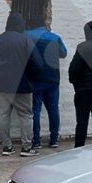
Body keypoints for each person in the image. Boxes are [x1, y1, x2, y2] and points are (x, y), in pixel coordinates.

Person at [0, 12, 42, 157]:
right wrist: (31, 79)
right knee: (26, 115)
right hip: (22, 85)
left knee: (2, 115)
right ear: (21, 25)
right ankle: (27, 147)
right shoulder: (26, 41)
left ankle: (7, 147)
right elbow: (38, 64)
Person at [25, 14, 67, 149]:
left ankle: (36, 141)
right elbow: (63, 53)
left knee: (35, 110)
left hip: (34, 78)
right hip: (53, 78)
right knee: (53, 109)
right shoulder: (54, 37)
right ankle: (54, 139)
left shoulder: (26, 35)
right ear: (44, 25)